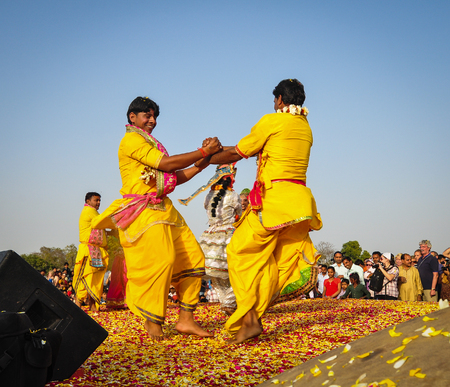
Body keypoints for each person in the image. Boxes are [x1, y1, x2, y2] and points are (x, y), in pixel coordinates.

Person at [91, 96, 221, 340]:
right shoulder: (131, 140)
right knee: (162, 261)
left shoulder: (150, 143)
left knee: (193, 258)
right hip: (143, 210)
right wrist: (203, 151)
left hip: (165, 208)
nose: (152, 121)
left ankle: (185, 320)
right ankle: (153, 322)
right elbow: (167, 164)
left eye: (154, 117)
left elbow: (174, 177)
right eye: (147, 116)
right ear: (133, 117)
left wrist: (202, 163)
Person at [207, 79, 323, 344]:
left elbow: (238, 152)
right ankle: (253, 318)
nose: (274, 104)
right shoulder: (305, 127)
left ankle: (250, 319)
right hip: (300, 205)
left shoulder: (272, 121)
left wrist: (204, 156)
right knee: (267, 260)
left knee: (239, 252)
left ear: (280, 99)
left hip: (273, 203)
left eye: (275, 100)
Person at [180, 164, 241, 315]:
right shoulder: (233, 195)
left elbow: (207, 208)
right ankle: (229, 303)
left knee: (216, 276)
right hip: (228, 235)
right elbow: (239, 212)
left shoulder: (209, 195)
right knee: (237, 272)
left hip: (210, 236)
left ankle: (227, 305)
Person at [73, 192, 110, 311]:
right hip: (88, 250)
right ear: (88, 201)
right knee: (85, 279)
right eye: (96, 200)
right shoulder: (89, 211)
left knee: (94, 280)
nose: (99, 203)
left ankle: (93, 307)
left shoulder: (93, 213)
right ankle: (77, 309)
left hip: (95, 251)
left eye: (99, 200)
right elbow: (104, 220)